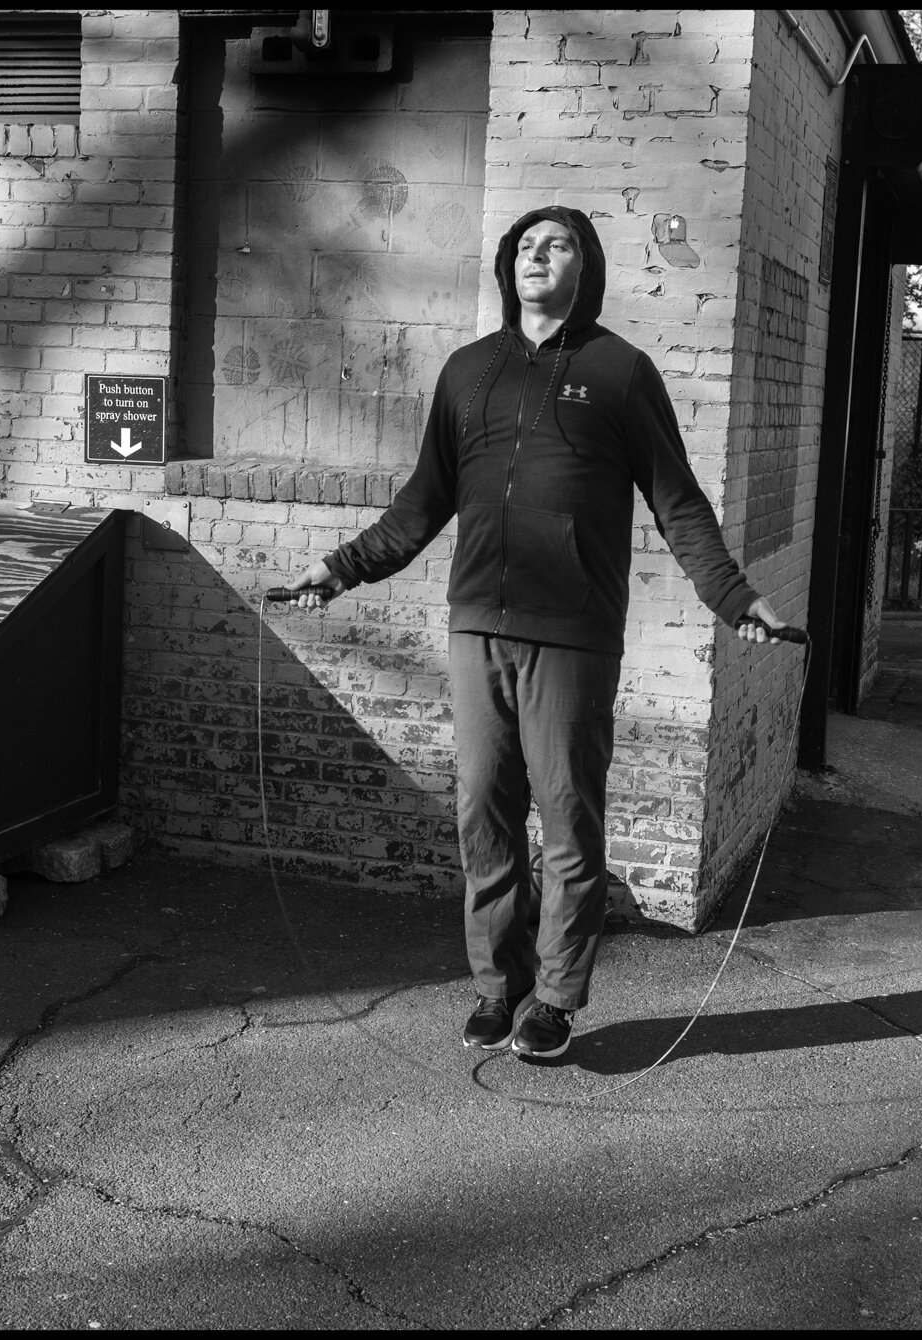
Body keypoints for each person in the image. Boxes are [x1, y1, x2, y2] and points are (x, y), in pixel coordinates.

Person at [282, 206, 793, 1061]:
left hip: (574, 636)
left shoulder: (621, 373)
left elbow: (680, 503)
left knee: (567, 824)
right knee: (483, 814)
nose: (535, 257)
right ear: (504, 268)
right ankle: (499, 987)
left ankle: (555, 1000)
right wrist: (339, 567)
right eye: (524, 246)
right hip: (476, 626)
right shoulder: (468, 372)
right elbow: (421, 502)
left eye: (554, 245)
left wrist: (736, 599)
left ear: (584, 265)